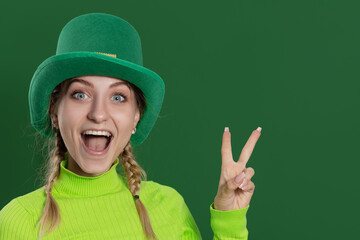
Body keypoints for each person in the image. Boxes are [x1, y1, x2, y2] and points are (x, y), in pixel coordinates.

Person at [0, 12, 261, 239]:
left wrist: (229, 220)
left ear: (136, 116)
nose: (99, 114)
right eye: (80, 94)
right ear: (55, 112)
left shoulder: (168, 206)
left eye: (118, 97)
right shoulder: (18, 221)